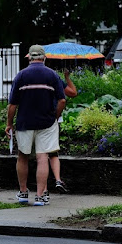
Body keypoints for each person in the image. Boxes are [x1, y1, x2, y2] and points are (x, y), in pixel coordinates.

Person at [5, 45, 66, 206]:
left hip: (25, 122)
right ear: (44, 58)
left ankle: (24, 192)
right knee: (42, 158)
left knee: (23, 156)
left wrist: (9, 124)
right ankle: (40, 196)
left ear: (29, 58)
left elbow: (12, 104)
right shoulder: (52, 75)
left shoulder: (21, 75)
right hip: (46, 122)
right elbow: (62, 100)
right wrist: (55, 116)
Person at [45, 68, 77, 197]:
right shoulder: (56, 79)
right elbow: (72, 93)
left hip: (34, 118)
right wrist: (67, 77)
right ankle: (58, 179)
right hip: (53, 117)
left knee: (40, 155)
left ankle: (43, 187)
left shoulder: (29, 78)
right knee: (52, 152)